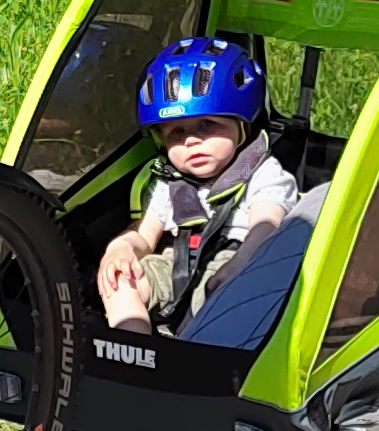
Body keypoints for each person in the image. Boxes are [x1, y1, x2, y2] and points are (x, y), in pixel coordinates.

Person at [97, 36, 299, 336]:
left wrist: (240, 265)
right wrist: (120, 250)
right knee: (119, 282)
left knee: (214, 307)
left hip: (239, 266)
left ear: (242, 126)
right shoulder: (171, 184)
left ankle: (186, 355)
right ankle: (132, 347)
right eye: (177, 132)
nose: (191, 141)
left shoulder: (264, 175)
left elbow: (265, 228)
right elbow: (145, 236)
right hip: (178, 264)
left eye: (207, 125)